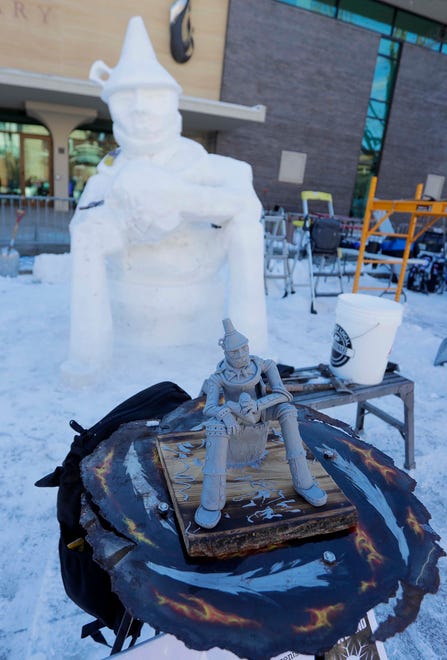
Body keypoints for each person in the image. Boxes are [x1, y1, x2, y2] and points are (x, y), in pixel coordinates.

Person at [62, 16, 267, 383]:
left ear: (172, 102)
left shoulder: (208, 166)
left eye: (153, 96)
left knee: (246, 230)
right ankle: (88, 357)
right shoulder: (108, 174)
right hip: (131, 309)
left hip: (196, 305)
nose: (140, 109)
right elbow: (83, 223)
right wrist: (118, 222)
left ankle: (253, 356)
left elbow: (246, 205)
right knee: (88, 236)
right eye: (126, 98)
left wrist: (177, 198)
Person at [195, 319, 327, 529]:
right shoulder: (218, 377)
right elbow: (209, 407)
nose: (241, 355)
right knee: (216, 427)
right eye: (235, 352)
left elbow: (283, 394)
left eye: (243, 348)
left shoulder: (264, 365)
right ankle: (212, 501)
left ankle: (304, 482)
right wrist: (226, 413)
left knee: (288, 411)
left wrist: (259, 405)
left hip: (262, 409)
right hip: (236, 414)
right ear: (226, 354)